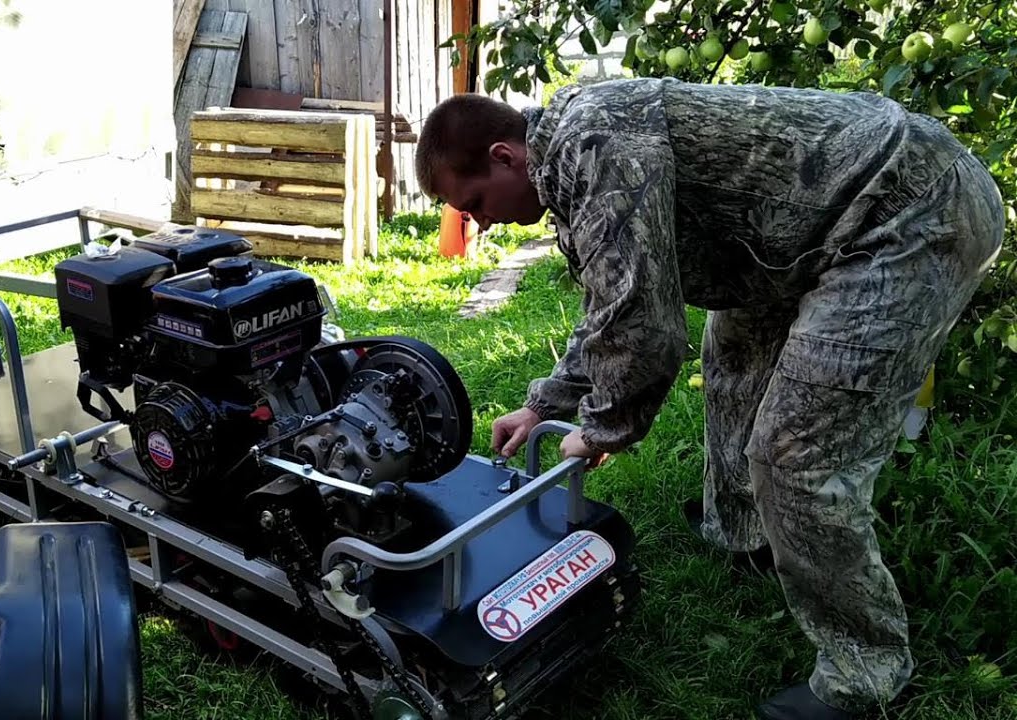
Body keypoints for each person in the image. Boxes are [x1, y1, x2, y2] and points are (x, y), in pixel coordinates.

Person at [414, 77, 1005, 719]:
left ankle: (865, 672)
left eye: (472, 202)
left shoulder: (594, 143)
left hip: (908, 217)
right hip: (797, 242)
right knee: (731, 361)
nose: (478, 222)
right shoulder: (571, 153)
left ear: (506, 157)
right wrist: (542, 405)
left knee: (796, 458)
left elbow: (644, 324)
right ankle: (744, 532)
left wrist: (605, 428)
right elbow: (614, 301)